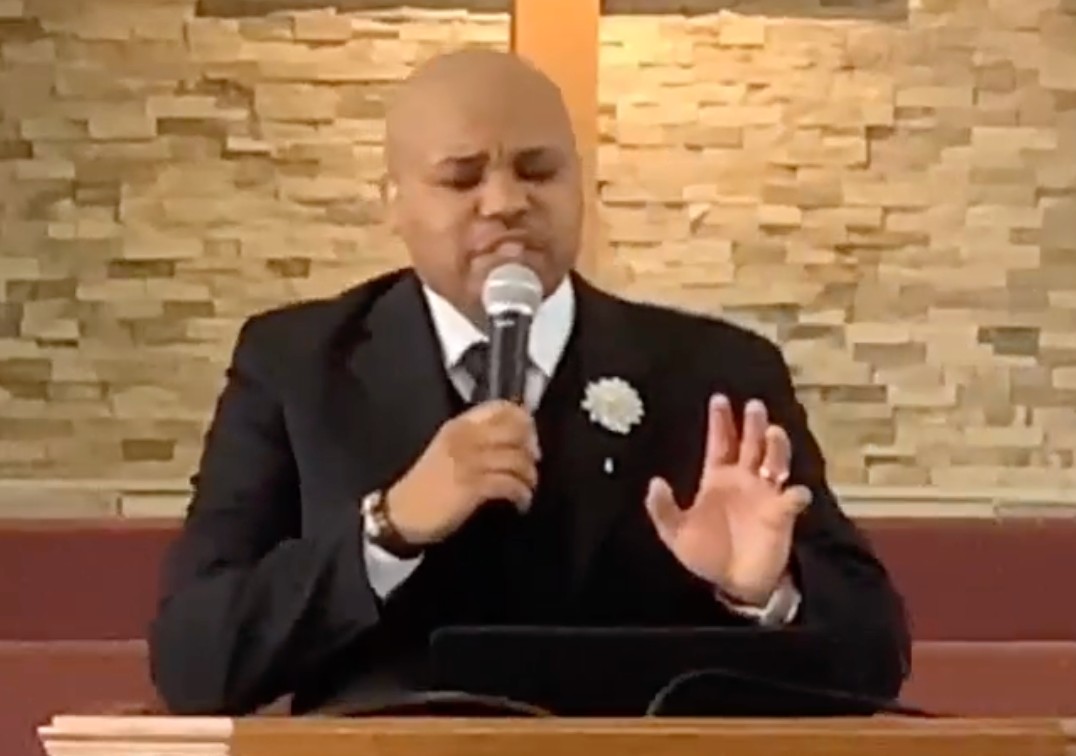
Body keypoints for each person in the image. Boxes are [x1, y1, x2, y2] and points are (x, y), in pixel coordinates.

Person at [148, 49, 910, 716]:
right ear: (395, 203)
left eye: (539, 171)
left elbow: (876, 658)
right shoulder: (298, 366)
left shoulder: (715, 373)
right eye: (462, 178)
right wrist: (387, 531)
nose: (506, 202)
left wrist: (765, 591)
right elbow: (195, 662)